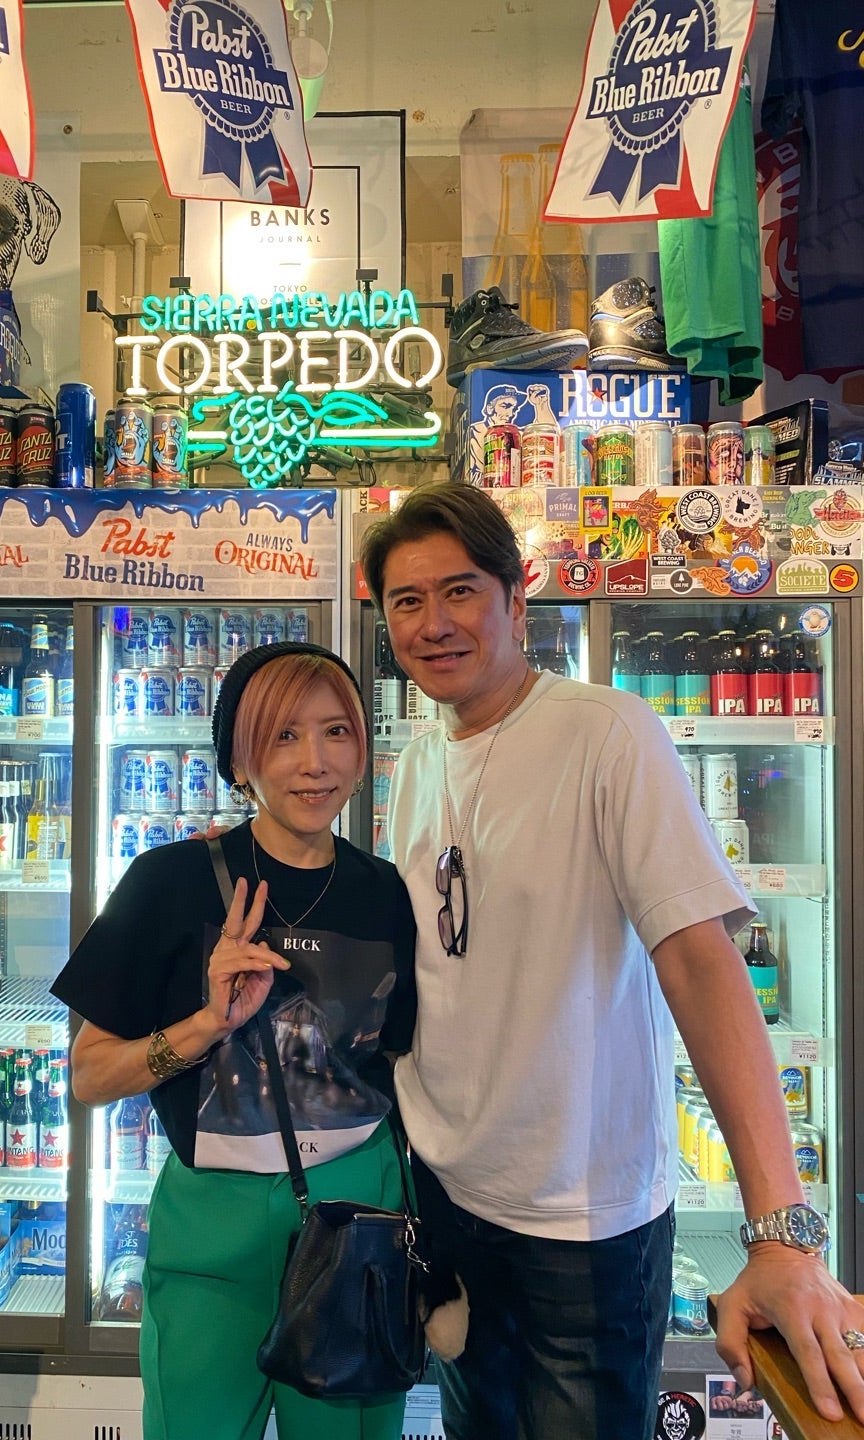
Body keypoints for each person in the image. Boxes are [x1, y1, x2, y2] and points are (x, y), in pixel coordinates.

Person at [359, 481, 864, 1440]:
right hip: (447, 1198)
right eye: (407, 601)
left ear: (517, 596)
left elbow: (701, 963)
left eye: (460, 591)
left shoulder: (608, 733)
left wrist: (783, 1236)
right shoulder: (420, 758)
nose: (434, 623)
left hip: (582, 1223)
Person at [51, 641, 417, 1440]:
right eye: (283, 736)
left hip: (358, 1222)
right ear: (239, 762)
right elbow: (89, 1075)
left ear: (363, 748)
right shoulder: (169, 882)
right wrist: (206, 1024)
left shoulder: (385, 892)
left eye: (336, 731)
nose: (315, 762)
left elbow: (402, 1067)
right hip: (211, 1236)